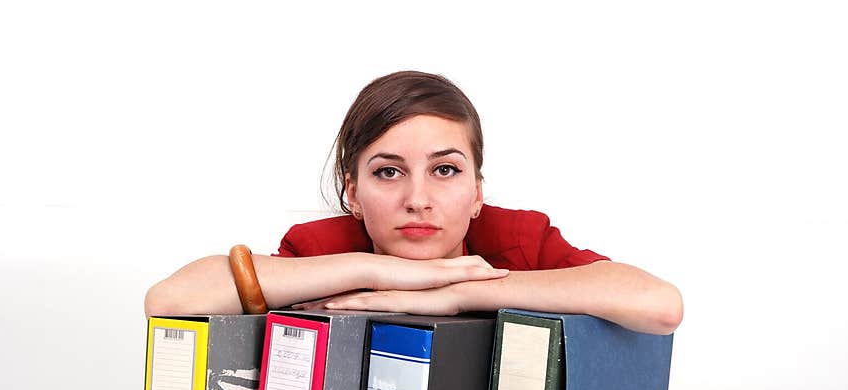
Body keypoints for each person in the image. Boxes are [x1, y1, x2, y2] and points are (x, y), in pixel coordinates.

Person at [144, 71, 682, 335]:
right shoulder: (323, 248)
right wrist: (371, 269)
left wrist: (459, 293)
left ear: (477, 192)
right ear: (352, 191)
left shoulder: (517, 237)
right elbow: (168, 301)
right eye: (387, 172)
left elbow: (660, 306)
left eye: (445, 170)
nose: (417, 199)